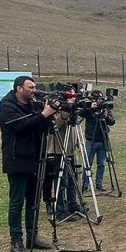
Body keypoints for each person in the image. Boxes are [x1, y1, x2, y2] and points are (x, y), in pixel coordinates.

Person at [0, 76, 57, 252]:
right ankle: (16, 240)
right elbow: (21, 127)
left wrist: (48, 115)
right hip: (17, 160)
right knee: (17, 202)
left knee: (33, 201)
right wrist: (43, 114)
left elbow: (41, 126)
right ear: (19, 89)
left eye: (34, 87)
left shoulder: (33, 104)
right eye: (30, 87)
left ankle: (33, 236)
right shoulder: (7, 106)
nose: (34, 90)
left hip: (35, 159)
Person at [45, 83, 81, 220]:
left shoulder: (72, 110)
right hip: (58, 149)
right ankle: (60, 209)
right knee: (61, 181)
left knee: (73, 179)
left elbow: (74, 127)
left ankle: (73, 204)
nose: (73, 98)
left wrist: (79, 143)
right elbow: (57, 124)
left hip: (70, 149)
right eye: (70, 95)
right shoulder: (55, 107)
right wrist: (67, 109)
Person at [82, 90, 116, 192]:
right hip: (90, 139)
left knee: (101, 163)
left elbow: (112, 122)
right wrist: (91, 109)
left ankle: (99, 183)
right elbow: (80, 113)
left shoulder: (104, 107)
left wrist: (106, 116)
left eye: (100, 99)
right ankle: (85, 184)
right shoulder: (88, 108)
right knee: (88, 163)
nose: (98, 101)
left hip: (102, 138)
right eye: (96, 99)